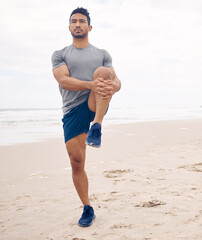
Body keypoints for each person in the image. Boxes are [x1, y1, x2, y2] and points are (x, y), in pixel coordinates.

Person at [51, 7, 121, 227]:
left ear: (89, 27)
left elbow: (117, 82)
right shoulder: (60, 54)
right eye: (74, 21)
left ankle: (97, 126)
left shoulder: (102, 54)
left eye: (82, 21)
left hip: (95, 102)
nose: (78, 24)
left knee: (104, 73)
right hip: (72, 109)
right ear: (69, 27)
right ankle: (87, 208)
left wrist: (111, 86)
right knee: (76, 161)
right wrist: (92, 84)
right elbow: (63, 81)